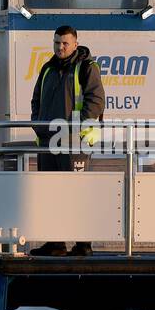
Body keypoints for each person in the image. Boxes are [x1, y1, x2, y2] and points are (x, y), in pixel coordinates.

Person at [29, 25, 104, 256]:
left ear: (75, 43)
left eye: (64, 43)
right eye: (56, 43)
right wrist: (38, 123)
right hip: (48, 142)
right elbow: (36, 100)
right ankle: (56, 243)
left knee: (76, 194)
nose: (60, 47)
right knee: (51, 193)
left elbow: (96, 100)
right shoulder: (48, 68)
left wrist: (77, 126)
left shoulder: (86, 67)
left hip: (74, 143)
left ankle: (83, 245)